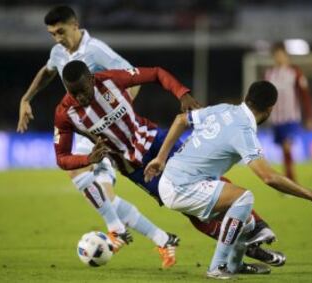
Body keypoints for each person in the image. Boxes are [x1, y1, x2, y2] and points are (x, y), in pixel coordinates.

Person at [54, 60, 286, 271]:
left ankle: (257, 228)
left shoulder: (111, 80)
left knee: (207, 179)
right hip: (134, 167)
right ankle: (246, 248)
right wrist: (88, 160)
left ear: (91, 80)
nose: (80, 97)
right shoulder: (65, 114)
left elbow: (156, 73)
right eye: (73, 93)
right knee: (192, 210)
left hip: (156, 140)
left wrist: (181, 92)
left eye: (83, 91)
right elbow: (62, 157)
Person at [16, 5, 180, 269]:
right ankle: (161, 238)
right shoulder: (58, 52)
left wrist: (115, 116)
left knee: (81, 176)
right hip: (85, 128)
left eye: (61, 31)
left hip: (104, 129)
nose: (57, 38)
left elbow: (132, 77)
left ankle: (118, 229)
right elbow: (47, 72)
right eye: (52, 34)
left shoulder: (96, 50)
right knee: (105, 196)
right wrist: (26, 98)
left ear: (75, 24)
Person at [143, 80, 312, 279]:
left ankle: (234, 264)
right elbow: (269, 177)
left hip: (174, 177)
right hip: (182, 186)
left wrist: (161, 158)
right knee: (244, 198)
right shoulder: (244, 130)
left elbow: (180, 119)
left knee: (246, 222)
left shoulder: (223, 109)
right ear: (270, 108)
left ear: (247, 97)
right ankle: (216, 267)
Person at [265, 42, 312, 182]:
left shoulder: (295, 72)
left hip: (290, 117)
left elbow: (305, 96)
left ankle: (290, 179)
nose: (279, 58)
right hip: (276, 118)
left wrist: (309, 116)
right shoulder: (269, 74)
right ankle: (288, 178)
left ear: (286, 56)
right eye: (276, 55)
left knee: (287, 146)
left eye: (281, 55)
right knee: (283, 149)